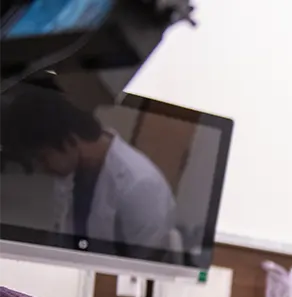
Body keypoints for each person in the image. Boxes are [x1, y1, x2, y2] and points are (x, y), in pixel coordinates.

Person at [0, 84, 178, 256]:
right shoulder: (73, 169)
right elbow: (61, 235)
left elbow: (140, 266)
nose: (42, 169)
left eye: (43, 158)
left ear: (70, 140)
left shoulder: (141, 187)